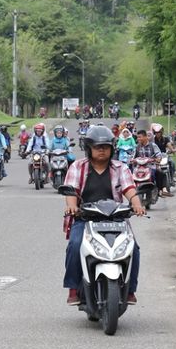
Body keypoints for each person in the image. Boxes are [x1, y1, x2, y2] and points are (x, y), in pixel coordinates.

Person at [62, 125, 146, 305]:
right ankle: (73, 289)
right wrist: (72, 207)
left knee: (134, 249)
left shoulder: (120, 168)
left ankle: (130, 290)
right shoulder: (78, 167)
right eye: (97, 147)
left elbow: (129, 188)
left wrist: (137, 204)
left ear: (112, 148)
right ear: (89, 148)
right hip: (85, 218)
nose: (102, 150)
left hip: (115, 219)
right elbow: (70, 192)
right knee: (75, 245)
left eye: (106, 147)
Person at [132, 129, 171, 197]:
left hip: (151, 166)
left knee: (160, 173)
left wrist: (158, 159)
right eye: (138, 137)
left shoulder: (153, 145)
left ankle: (162, 190)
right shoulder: (137, 146)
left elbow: (158, 154)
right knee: (131, 175)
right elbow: (132, 156)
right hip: (139, 168)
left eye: (140, 137)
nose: (138, 139)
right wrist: (131, 160)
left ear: (145, 137)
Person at [152, 123, 176, 187]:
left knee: (172, 163)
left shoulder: (165, 139)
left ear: (161, 132)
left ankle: (171, 178)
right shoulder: (152, 140)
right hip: (156, 156)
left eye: (159, 132)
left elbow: (169, 146)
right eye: (156, 132)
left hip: (164, 155)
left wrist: (172, 150)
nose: (157, 134)